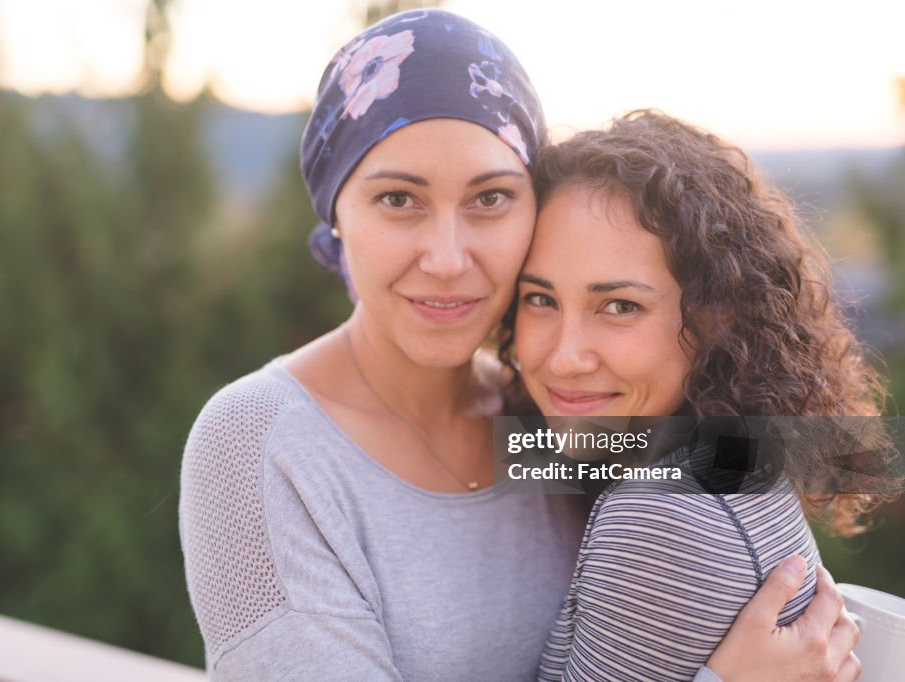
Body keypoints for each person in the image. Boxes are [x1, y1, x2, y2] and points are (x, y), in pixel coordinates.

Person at [179, 11, 860, 681]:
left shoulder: (548, 419)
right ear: (337, 213)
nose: (447, 257)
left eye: (490, 198)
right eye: (398, 199)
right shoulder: (259, 442)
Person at [510, 109, 901, 681]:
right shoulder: (736, 459)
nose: (564, 357)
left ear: (716, 318)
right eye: (540, 299)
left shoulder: (660, 517)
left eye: (620, 306)